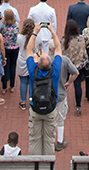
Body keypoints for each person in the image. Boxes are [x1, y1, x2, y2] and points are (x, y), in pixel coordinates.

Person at [25, 22, 63, 155]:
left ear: (38, 63)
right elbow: (58, 48)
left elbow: (29, 50)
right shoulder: (55, 70)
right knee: (49, 139)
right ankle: (48, 168)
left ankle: (35, 167)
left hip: (35, 108)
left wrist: (35, 32)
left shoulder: (32, 69)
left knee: (34, 139)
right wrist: (53, 32)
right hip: (50, 109)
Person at [54, 44, 79, 151]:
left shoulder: (45, 59)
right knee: (60, 119)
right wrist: (69, 82)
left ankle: (49, 141)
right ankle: (59, 141)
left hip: (48, 95)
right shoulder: (64, 60)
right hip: (60, 94)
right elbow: (76, 72)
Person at [62, 19, 86, 116]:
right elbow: (84, 53)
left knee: (64, 84)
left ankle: (63, 103)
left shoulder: (64, 40)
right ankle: (78, 106)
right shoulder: (81, 39)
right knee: (77, 85)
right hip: (77, 66)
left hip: (66, 66)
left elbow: (61, 53)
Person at [0, 9, 20, 95]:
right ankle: (12, 86)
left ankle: (4, 87)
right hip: (15, 47)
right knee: (13, 66)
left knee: (5, 66)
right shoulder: (16, 25)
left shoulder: (2, 26)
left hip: (5, 48)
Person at [16, 19, 36, 109]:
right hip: (32, 61)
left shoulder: (20, 37)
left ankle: (23, 101)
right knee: (32, 82)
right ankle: (32, 101)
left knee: (23, 82)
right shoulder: (36, 37)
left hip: (22, 61)